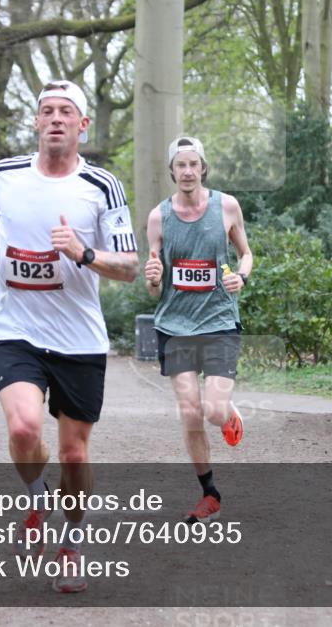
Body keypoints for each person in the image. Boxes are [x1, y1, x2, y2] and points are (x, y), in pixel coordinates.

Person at [0, 80, 138, 593]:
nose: (55, 119)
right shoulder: (5, 175)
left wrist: (83, 253)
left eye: (66, 112)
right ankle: (37, 498)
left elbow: (129, 267)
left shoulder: (103, 186)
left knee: (76, 456)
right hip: (15, 329)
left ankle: (72, 544)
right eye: (46, 111)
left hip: (79, 338)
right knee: (22, 429)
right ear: (36, 123)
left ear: (83, 125)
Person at [143, 136, 253, 524]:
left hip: (220, 321)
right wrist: (153, 278)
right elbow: (155, 288)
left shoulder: (226, 206)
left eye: (194, 164)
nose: (187, 171)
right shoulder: (159, 217)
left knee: (213, 411)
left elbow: (246, 253)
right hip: (175, 325)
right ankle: (210, 494)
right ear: (171, 171)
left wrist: (241, 276)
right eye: (180, 165)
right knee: (191, 412)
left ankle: (227, 413)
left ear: (203, 168)